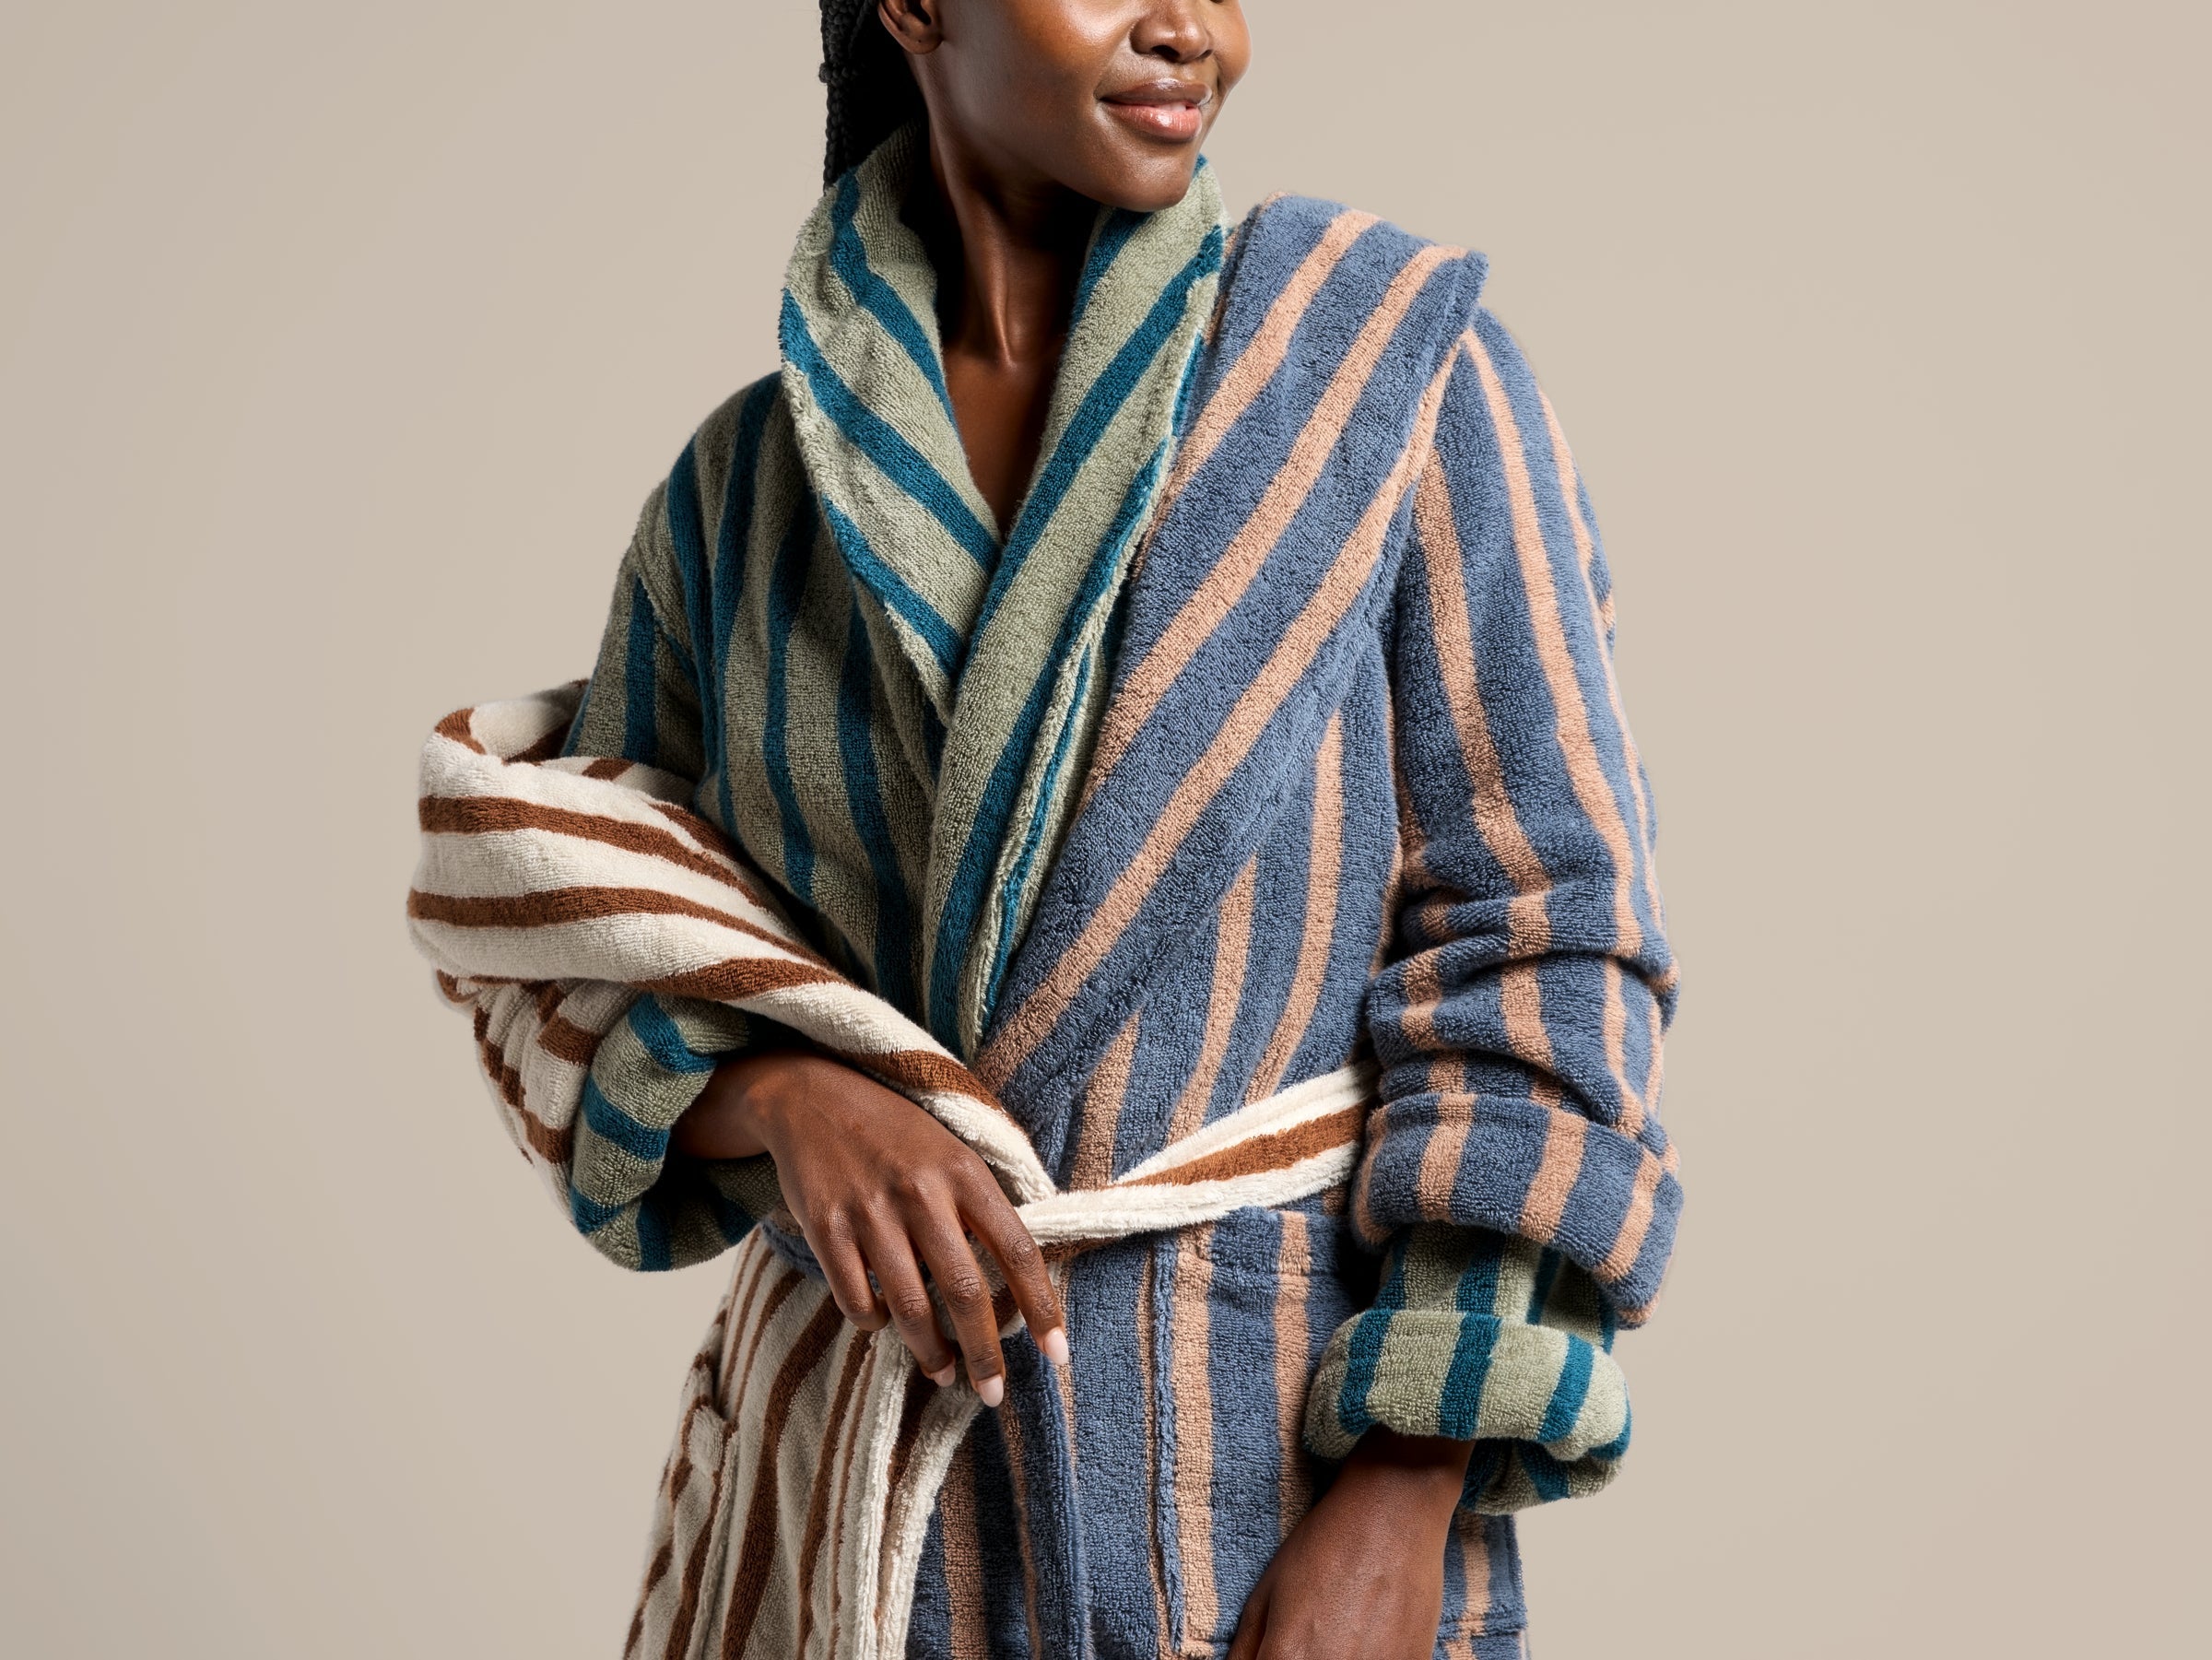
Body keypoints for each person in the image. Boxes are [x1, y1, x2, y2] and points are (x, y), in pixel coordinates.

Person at [417, 3, 1681, 1655]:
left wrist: (1405, 1486)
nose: (1190, 26)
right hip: (853, 1530)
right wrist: (781, 1099)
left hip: (1264, 1497)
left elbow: (1549, 936)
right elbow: (563, 922)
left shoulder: (1389, 379)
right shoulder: (741, 495)